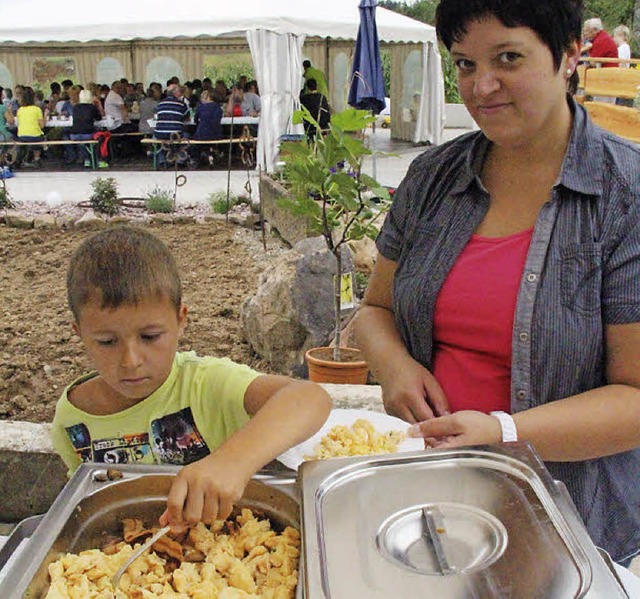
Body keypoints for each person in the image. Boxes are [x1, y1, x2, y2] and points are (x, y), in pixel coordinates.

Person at [354, 0, 640, 566]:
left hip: (568, 517)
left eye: (507, 58)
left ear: (568, 57)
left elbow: (634, 398)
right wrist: (394, 366)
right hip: (425, 495)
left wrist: (503, 431)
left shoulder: (624, 195)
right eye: (463, 64)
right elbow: (373, 310)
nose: (481, 86)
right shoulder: (433, 177)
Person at [50, 226, 331, 529]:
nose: (130, 361)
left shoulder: (206, 384)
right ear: (79, 333)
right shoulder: (73, 421)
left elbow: (310, 398)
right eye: (107, 342)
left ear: (180, 321)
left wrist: (231, 462)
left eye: (150, 336)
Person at [64, 89, 101, 167]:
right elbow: (99, 118)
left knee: (67, 135)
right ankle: (98, 160)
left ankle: (86, 159)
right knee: (101, 137)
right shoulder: (92, 107)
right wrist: (99, 104)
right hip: (88, 134)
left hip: (74, 135)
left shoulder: (75, 107)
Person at [16, 86, 44, 167]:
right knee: (39, 137)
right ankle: (37, 158)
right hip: (35, 136)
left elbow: (19, 123)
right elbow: (42, 126)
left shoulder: (20, 110)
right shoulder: (37, 109)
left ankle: (21, 158)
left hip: (22, 136)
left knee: (23, 141)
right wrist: (45, 115)